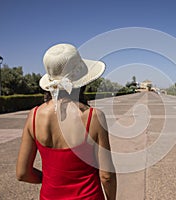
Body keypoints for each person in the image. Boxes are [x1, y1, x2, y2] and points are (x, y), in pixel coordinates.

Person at [16, 43, 117, 200]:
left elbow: (22, 173)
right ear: (82, 80)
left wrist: (51, 181)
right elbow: (107, 175)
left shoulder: (34, 116)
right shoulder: (93, 117)